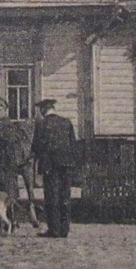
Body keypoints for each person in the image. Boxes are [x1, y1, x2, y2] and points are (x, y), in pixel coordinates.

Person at [32, 98, 78, 238]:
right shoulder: (66, 122)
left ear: (43, 110)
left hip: (50, 166)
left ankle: (54, 229)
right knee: (65, 196)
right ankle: (65, 229)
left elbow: (36, 146)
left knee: (52, 197)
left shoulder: (42, 124)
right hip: (67, 165)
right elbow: (73, 145)